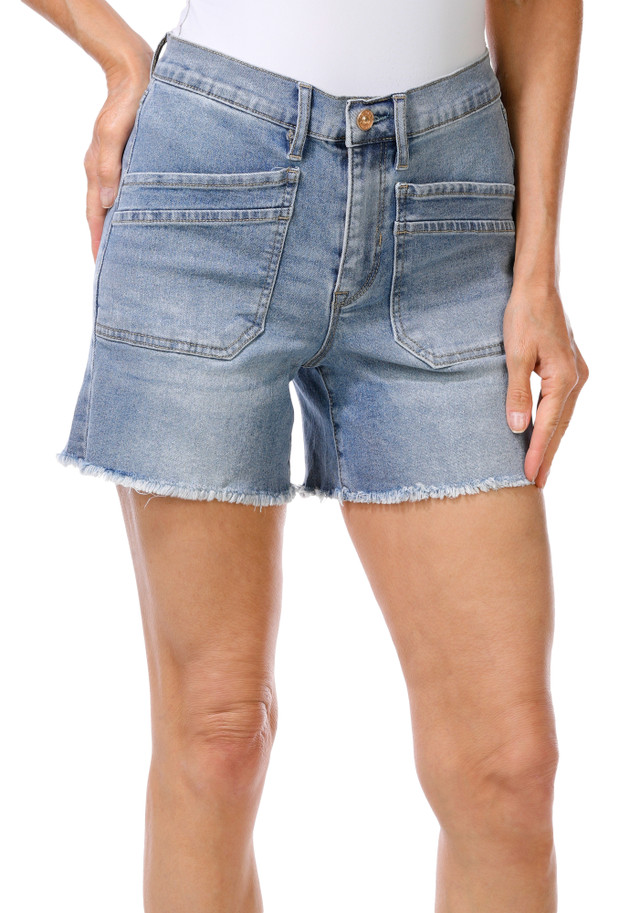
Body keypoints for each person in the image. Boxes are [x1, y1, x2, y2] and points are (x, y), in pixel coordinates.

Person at [23, 1, 588, 911]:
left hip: (449, 206)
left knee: (508, 768)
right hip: (212, 181)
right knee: (217, 736)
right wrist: (122, 58)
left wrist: (538, 275)